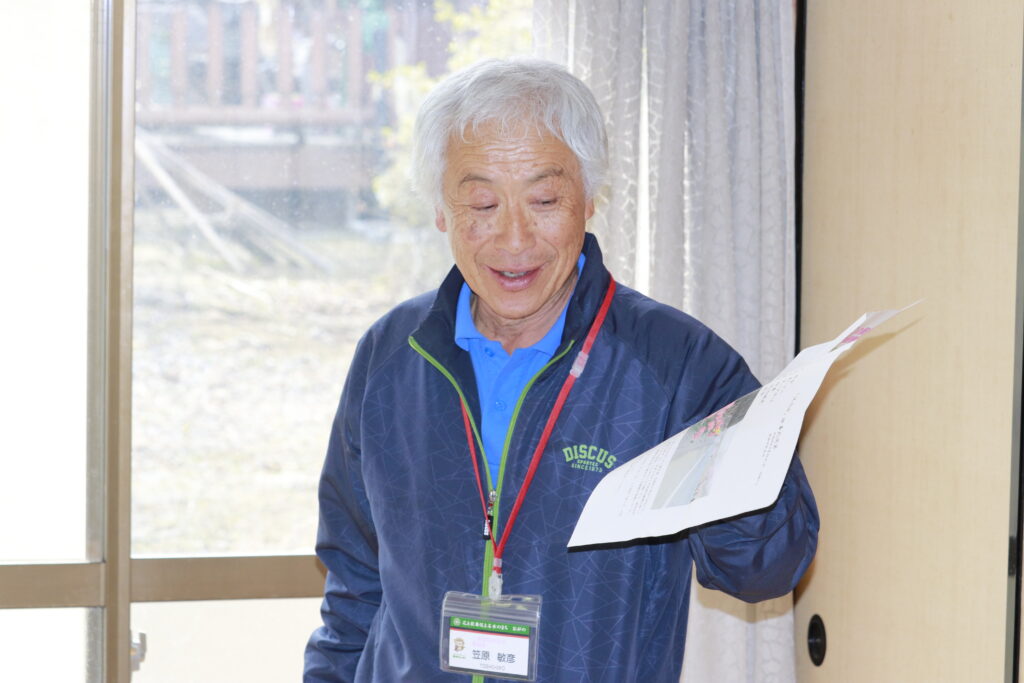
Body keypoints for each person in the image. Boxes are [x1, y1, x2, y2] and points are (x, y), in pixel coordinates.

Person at [304, 58, 818, 682]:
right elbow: (354, 583)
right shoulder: (392, 355)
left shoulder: (677, 363)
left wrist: (747, 468)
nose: (514, 240)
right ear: (441, 209)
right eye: (483, 203)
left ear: (589, 200)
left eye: (544, 200)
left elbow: (766, 569)